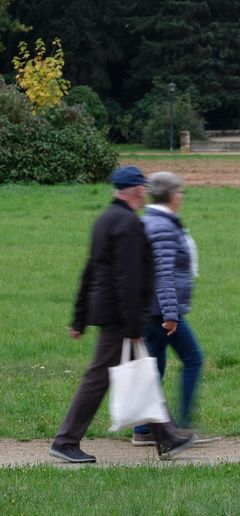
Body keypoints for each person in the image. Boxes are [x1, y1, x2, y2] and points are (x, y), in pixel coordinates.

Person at [49, 166, 196, 463]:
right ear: (136, 190)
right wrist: (133, 324)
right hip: (119, 317)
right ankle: (65, 441)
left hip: (111, 312)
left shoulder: (104, 219)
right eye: (142, 187)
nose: (145, 192)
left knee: (143, 372)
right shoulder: (129, 224)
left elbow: (90, 270)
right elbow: (128, 279)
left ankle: (165, 437)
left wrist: (79, 318)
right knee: (98, 377)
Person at [132, 172, 216, 445]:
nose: (182, 197)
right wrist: (171, 314)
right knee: (193, 359)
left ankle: (145, 429)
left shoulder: (155, 221)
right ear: (171, 195)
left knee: (154, 366)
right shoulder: (163, 226)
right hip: (161, 311)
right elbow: (162, 274)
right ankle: (179, 428)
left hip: (150, 309)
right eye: (180, 192)